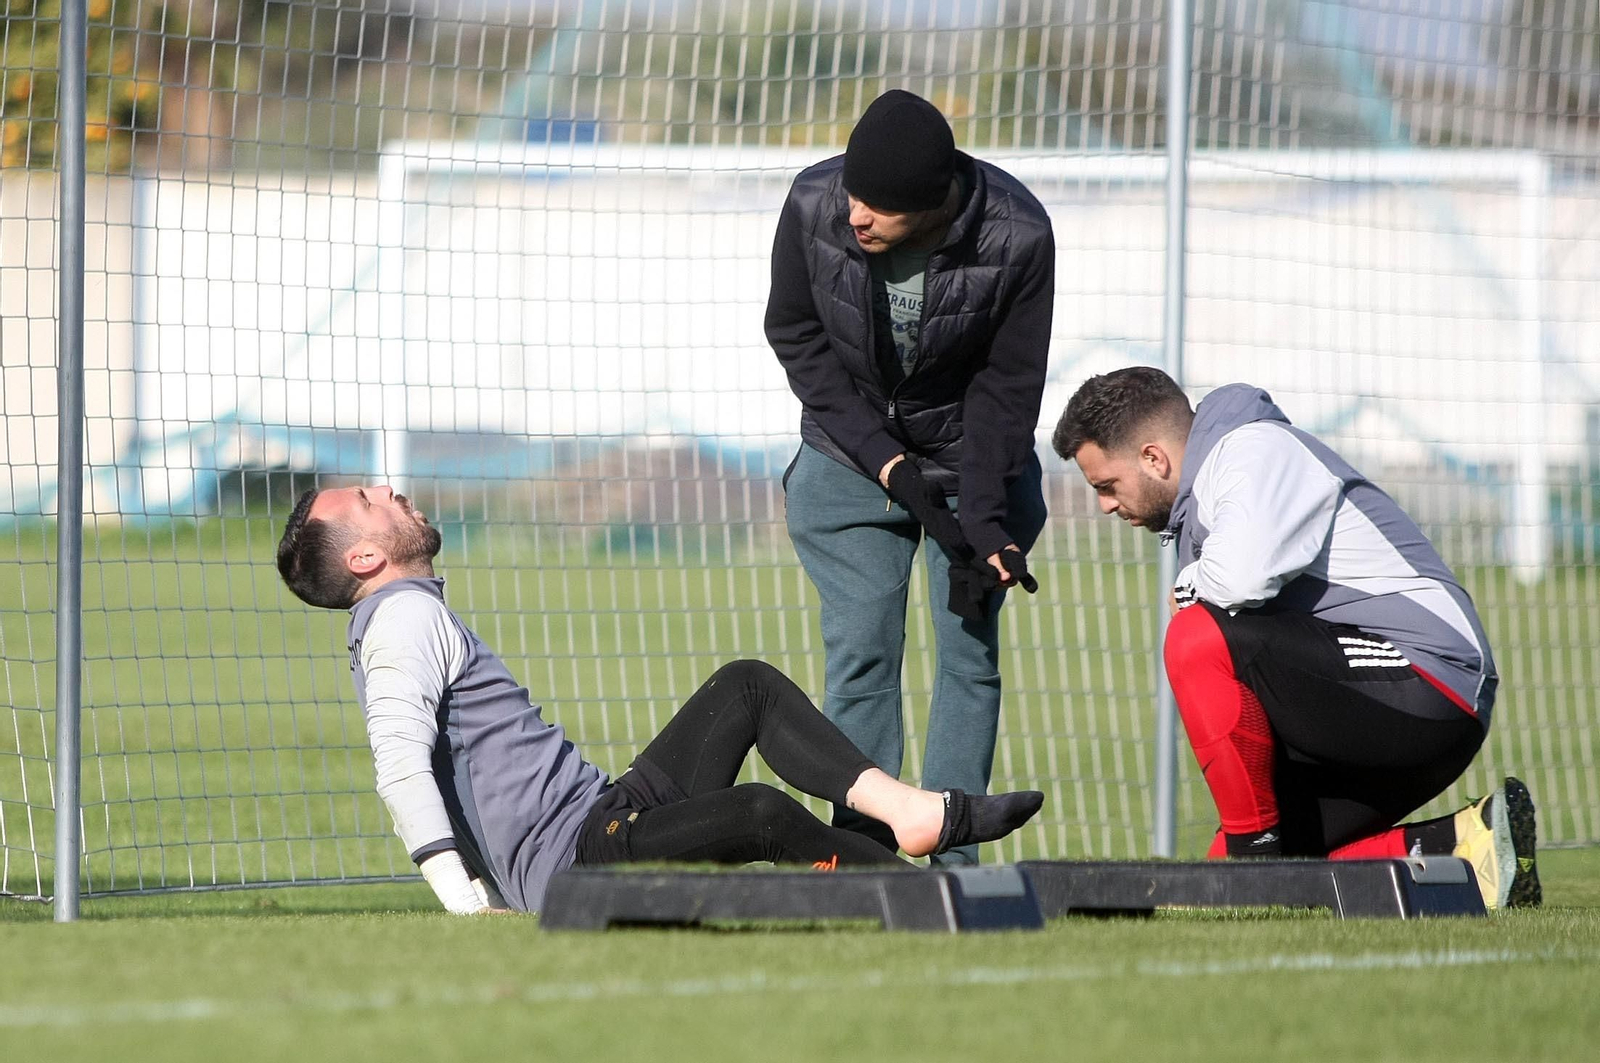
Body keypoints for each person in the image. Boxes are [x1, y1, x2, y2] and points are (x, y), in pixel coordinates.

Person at [274, 483, 1044, 914]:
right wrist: (464, 901)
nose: (391, 490)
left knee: (745, 686)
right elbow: (401, 765)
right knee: (758, 813)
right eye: (370, 499)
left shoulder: (409, 613)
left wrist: (488, 885)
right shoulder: (401, 621)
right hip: (580, 860)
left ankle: (908, 812)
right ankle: (935, 902)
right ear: (365, 554)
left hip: (601, 815)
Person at [1051, 367, 1540, 910]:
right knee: (1235, 875)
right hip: (1382, 700)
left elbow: (1238, 579)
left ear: (1153, 458)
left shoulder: (1252, 450)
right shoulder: (1215, 484)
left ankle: (1254, 873)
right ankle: (1464, 847)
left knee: (1195, 638)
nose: (1105, 505)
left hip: (1426, 679)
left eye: (1106, 486)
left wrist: (1187, 589)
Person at [765, 89, 1054, 863]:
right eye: (853, 192)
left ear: (935, 202)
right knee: (860, 650)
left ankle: (953, 862)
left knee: (968, 655)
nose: (855, 215)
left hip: (972, 466)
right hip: (848, 456)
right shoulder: (813, 205)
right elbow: (794, 333)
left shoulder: (1020, 235)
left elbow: (1008, 385)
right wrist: (887, 461)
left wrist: (984, 519)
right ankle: (860, 858)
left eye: (879, 206)